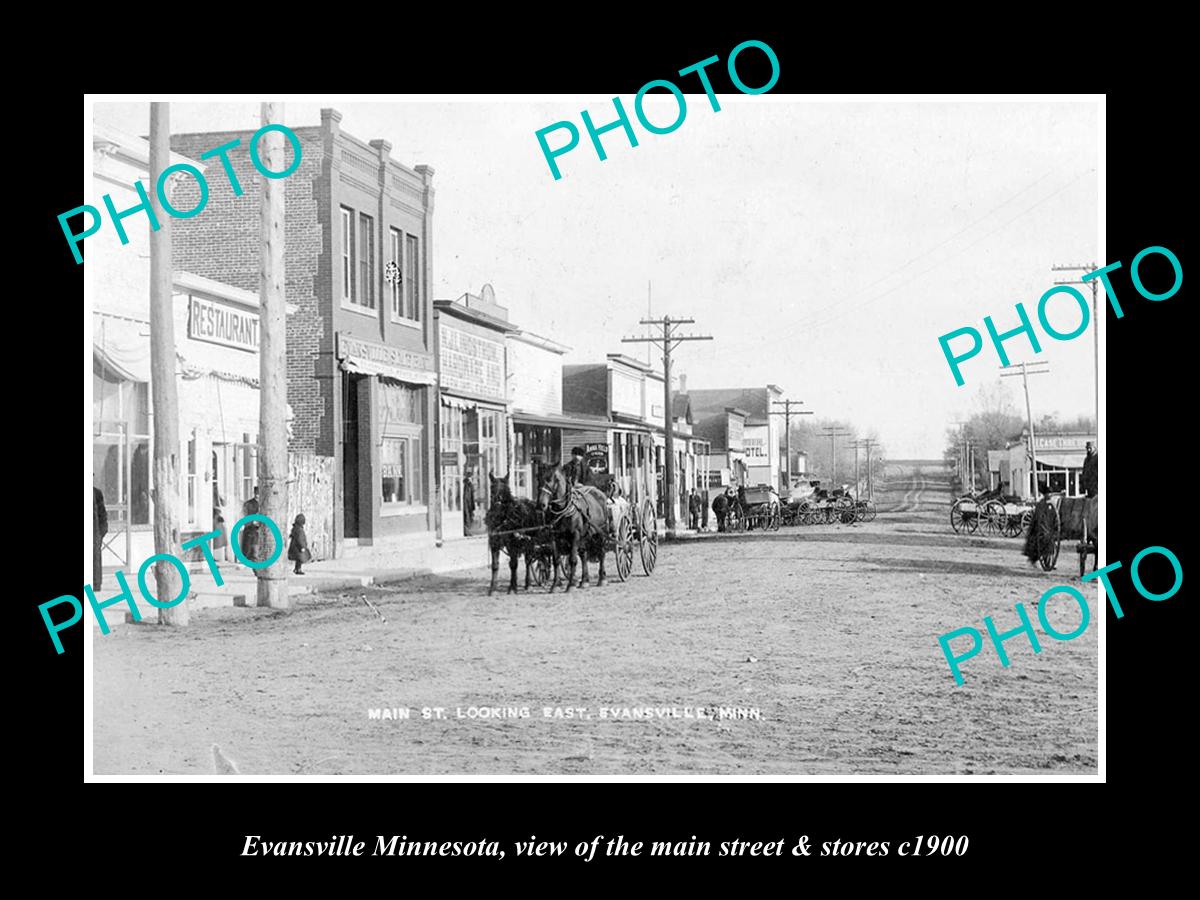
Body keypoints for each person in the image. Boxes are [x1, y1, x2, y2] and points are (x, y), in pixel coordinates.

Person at [93, 486, 108, 589]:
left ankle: (96, 583)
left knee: (95, 558)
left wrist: (100, 533)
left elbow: (102, 514)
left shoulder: (96, 493)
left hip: (94, 533)